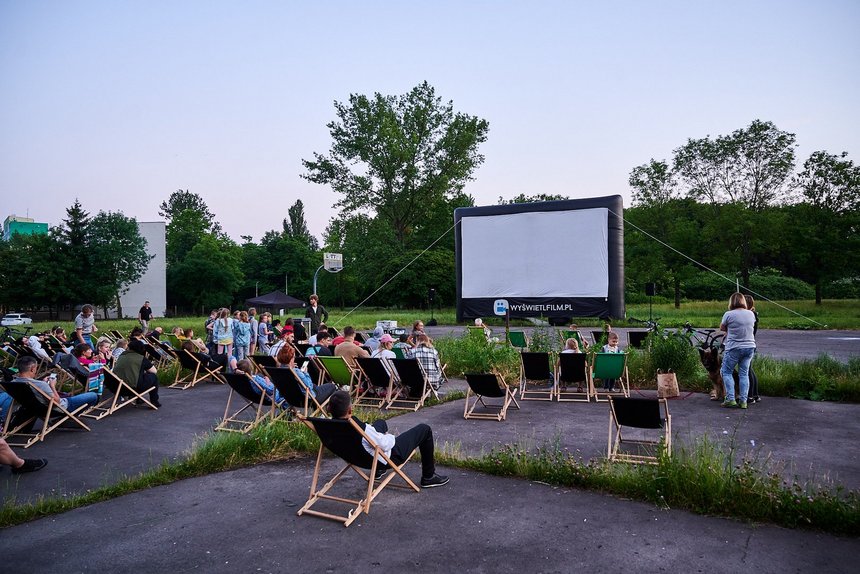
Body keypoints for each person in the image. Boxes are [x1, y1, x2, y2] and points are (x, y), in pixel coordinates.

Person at [327, 390, 448, 488]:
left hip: (358, 457)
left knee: (380, 423)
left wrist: (374, 432)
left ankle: (378, 471)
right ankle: (429, 476)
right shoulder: (360, 428)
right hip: (388, 456)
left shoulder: (330, 428)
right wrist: (388, 436)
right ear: (350, 410)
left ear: (330, 410)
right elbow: (385, 445)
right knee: (424, 429)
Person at [14, 356, 99, 412]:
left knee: (67, 394)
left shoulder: (13, 383)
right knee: (93, 395)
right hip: (60, 408)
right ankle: (73, 415)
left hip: (35, 409)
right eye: (36, 368)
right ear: (32, 369)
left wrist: (43, 383)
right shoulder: (40, 385)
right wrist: (52, 386)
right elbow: (57, 402)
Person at [719, 293, 757, 409]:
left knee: (726, 372)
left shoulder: (728, 314)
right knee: (744, 374)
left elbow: (722, 328)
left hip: (734, 347)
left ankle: (730, 399)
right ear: (743, 301)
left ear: (731, 302)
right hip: (750, 347)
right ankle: (743, 401)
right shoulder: (751, 314)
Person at [113, 339, 161, 407]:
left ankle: (139, 398)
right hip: (132, 388)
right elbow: (154, 371)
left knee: (137, 376)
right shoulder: (140, 358)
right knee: (153, 377)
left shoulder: (121, 356)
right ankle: (154, 401)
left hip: (117, 387)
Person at [744, 294, 761, 403]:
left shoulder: (750, 315)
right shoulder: (753, 314)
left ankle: (750, 395)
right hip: (751, 344)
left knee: (746, 371)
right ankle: (755, 394)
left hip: (747, 344)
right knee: (749, 370)